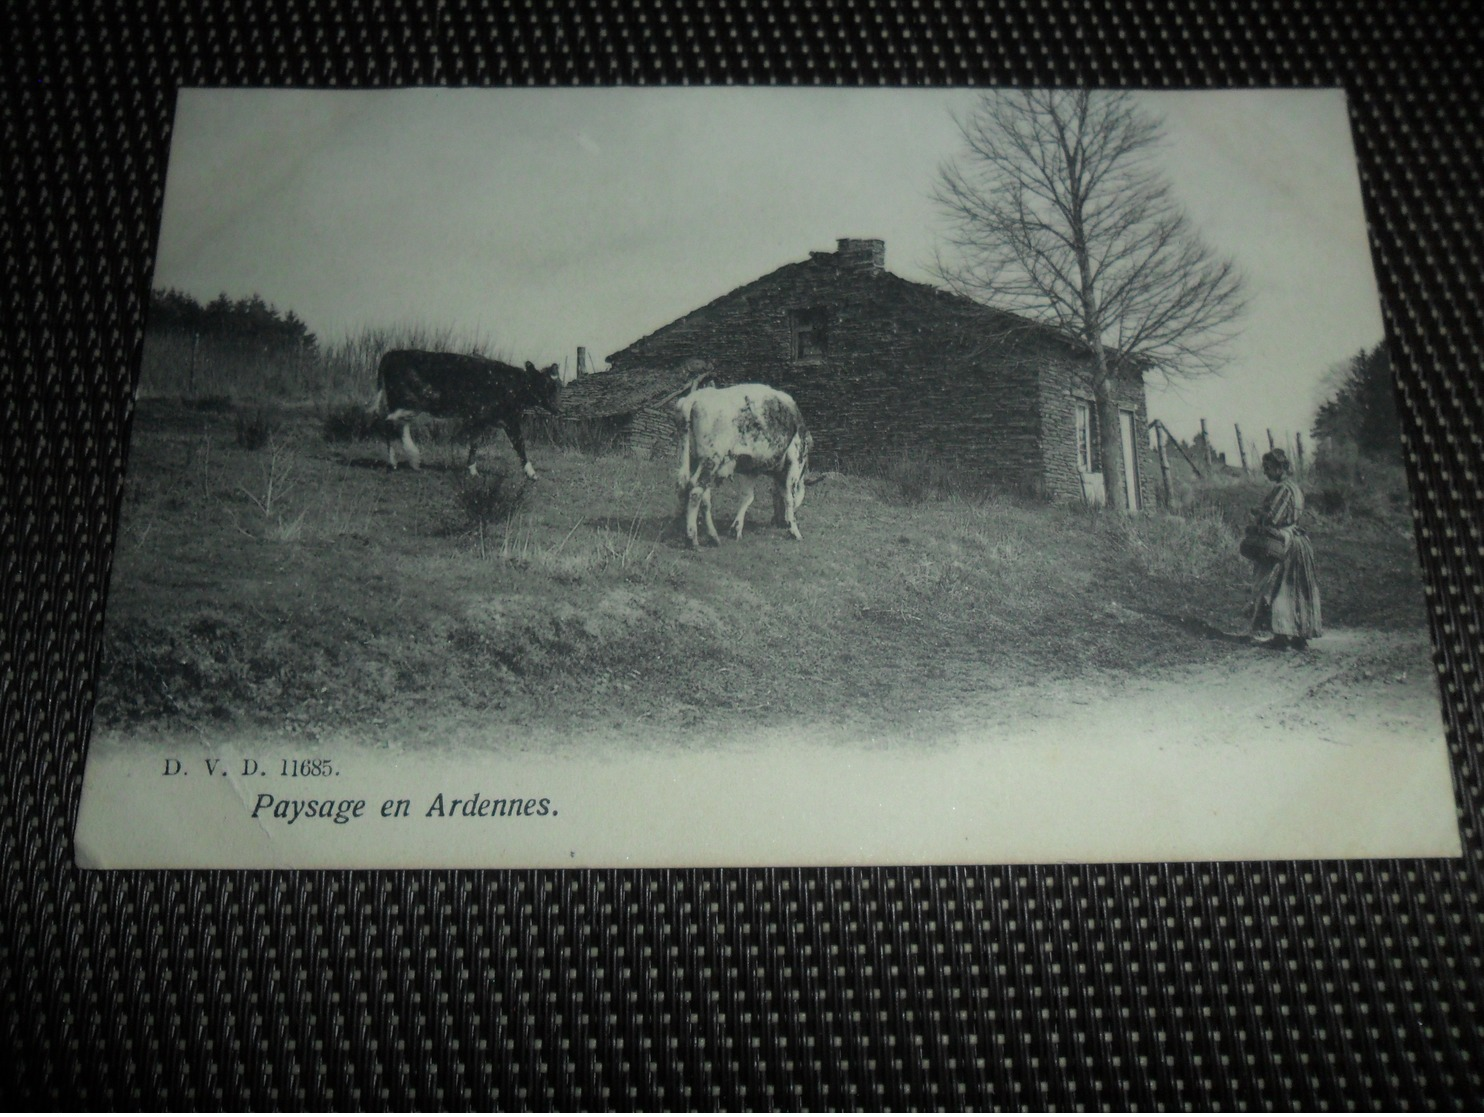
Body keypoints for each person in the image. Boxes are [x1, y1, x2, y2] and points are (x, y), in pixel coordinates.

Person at [1248, 448, 1322, 649]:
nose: (1265, 472)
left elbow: (1273, 518)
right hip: (1299, 541)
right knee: (1299, 589)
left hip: (1285, 543)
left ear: (1280, 468)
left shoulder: (1282, 489)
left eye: (1268, 468)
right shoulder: (1296, 489)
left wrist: (1258, 514)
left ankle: (1282, 637)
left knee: (1279, 587)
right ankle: (1300, 637)